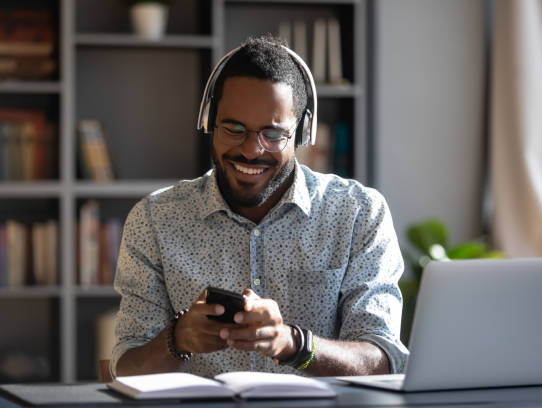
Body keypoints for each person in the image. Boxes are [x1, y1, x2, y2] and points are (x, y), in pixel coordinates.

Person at [111, 36, 409, 379]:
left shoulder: (358, 214)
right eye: (234, 128)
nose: (252, 150)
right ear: (210, 122)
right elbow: (125, 370)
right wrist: (177, 340)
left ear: (301, 133)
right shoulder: (154, 220)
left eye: (272, 134)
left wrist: (294, 345)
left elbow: (384, 360)